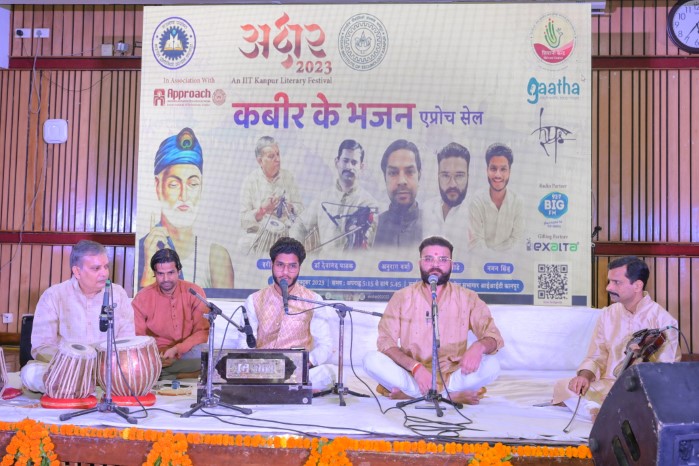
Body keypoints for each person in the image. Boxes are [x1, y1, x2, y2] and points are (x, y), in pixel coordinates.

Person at [363, 236, 504, 405]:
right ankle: (449, 397)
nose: (435, 265)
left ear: (451, 265)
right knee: (371, 360)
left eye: (443, 259)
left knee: (492, 365)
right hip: (412, 374)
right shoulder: (402, 297)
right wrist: (415, 367)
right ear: (420, 263)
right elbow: (386, 342)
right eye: (428, 259)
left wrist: (478, 347)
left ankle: (415, 395)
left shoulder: (468, 297)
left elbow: (493, 336)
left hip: (453, 375)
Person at [552, 256, 680, 420]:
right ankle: (603, 410)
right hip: (608, 385)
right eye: (609, 281)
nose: (608, 287)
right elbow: (596, 356)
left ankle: (602, 410)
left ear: (637, 285)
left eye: (616, 282)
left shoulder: (664, 321)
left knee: (651, 403)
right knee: (564, 387)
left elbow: (666, 371)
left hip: (640, 389)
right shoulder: (608, 314)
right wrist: (584, 376)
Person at [20, 240, 135, 393]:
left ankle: (75, 388)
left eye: (106, 266)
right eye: (96, 268)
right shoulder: (54, 295)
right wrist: (73, 363)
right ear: (77, 271)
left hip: (106, 369)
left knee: (133, 371)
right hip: (65, 369)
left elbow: (127, 342)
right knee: (30, 373)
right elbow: (41, 347)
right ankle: (76, 385)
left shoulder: (118, 294)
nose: (104, 273)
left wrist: (103, 364)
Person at [232, 237, 336, 390]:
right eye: (280, 265)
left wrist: (307, 362)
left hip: (298, 370)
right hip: (263, 370)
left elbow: (325, 345)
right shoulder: (254, 300)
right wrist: (258, 365)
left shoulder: (313, 300)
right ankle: (284, 387)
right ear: (271, 265)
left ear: (299, 267)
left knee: (330, 373)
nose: (285, 272)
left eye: (292, 266)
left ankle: (288, 386)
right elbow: (244, 343)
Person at [138, 127, 235, 289]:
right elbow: (141, 304)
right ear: (158, 186)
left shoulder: (216, 256)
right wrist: (149, 267)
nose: (184, 195)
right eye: (174, 184)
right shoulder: (143, 249)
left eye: (193, 184)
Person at [290, 139, 379, 253]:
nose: (349, 167)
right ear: (337, 162)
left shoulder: (369, 204)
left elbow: (370, 243)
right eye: (345, 161)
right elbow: (300, 225)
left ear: (361, 167)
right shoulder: (322, 198)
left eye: (354, 162)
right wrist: (294, 251)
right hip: (324, 263)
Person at [132, 248, 209, 380]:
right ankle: (180, 375)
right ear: (154, 273)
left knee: (205, 354)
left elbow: (202, 332)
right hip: (155, 356)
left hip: (186, 352)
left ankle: (162, 376)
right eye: (160, 274)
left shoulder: (194, 292)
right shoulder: (142, 298)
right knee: (134, 361)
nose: (166, 279)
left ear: (179, 271)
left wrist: (177, 350)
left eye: (171, 273)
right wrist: (156, 356)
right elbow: (137, 337)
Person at [239, 136, 304, 255]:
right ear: (260, 161)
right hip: (258, 235)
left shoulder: (288, 177)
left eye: (278, 154)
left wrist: (290, 207)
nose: (278, 159)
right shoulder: (250, 181)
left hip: (285, 235)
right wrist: (262, 210)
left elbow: (301, 209)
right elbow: (243, 221)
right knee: (243, 244)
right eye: (271, 156)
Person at [468, 143, 524, 251]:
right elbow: (476, 243)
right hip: (481, 260)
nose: (498, 175)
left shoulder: (518, 202)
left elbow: (517, 240)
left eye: (503, 169)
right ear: (487, 170)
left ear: (509, 172)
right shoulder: (476, 201)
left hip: (510, 260)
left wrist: (497, 255)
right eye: (493, 169)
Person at [374, 139, 423, 248]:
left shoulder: (434, 226)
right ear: (385, 178)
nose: (401, 181)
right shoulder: (372, 229)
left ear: (419, 176)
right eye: (393, 173)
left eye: (409, 172)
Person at [423, 142, 471, 243]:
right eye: (445, 175)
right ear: (438, 176)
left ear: (468, 177)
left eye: (459, 176)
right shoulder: (425, 209)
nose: (452, 184)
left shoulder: (478, 215)